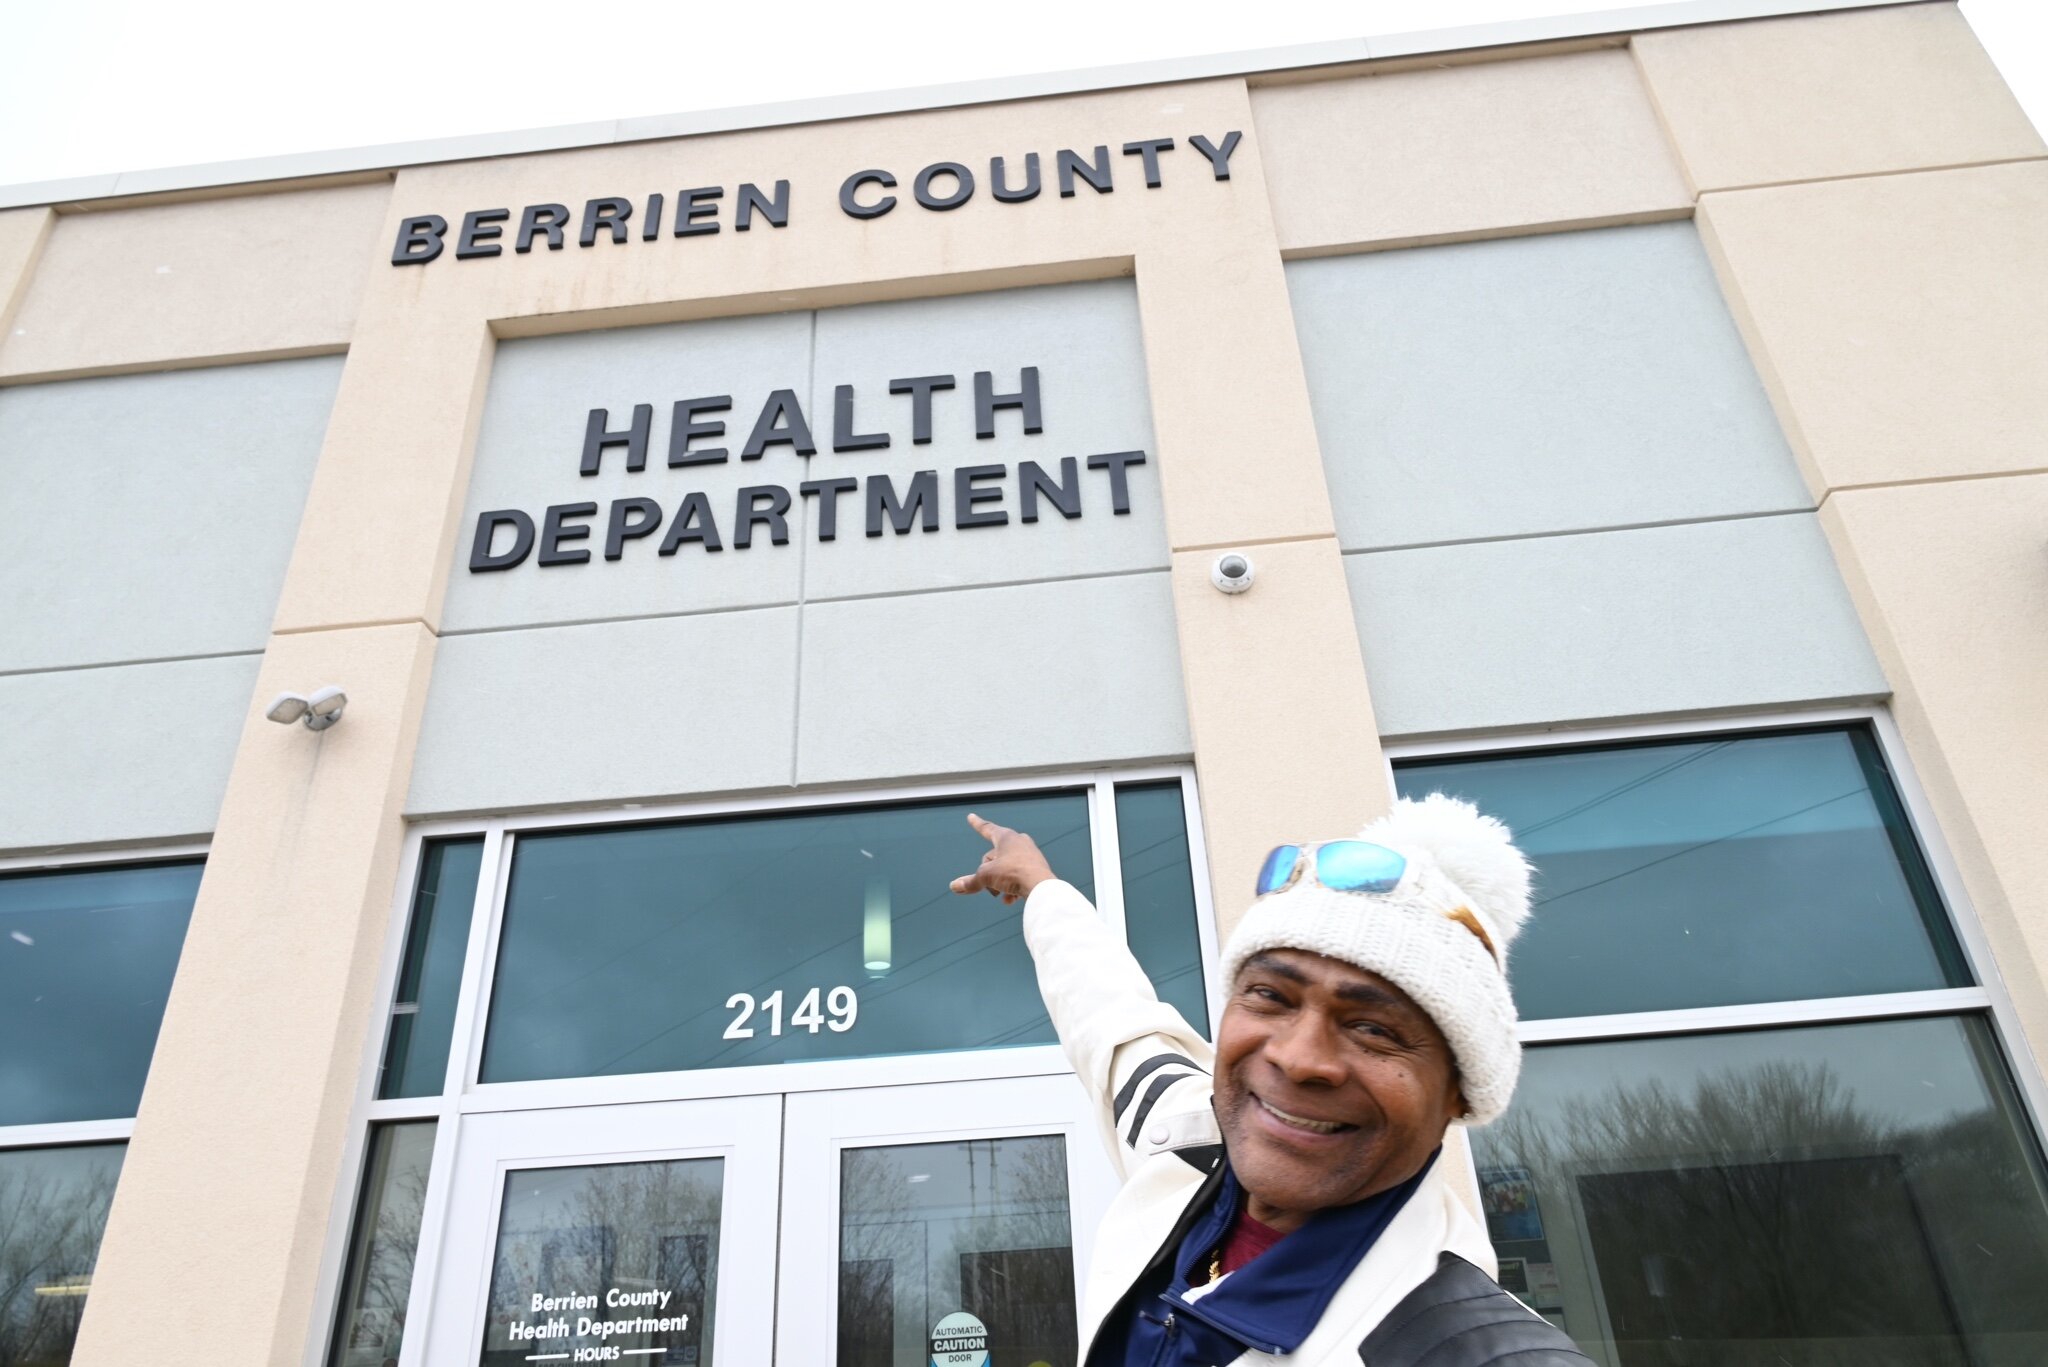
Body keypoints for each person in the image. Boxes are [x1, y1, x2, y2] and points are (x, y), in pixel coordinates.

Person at [949, 794, 1591, 1367]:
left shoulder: (1462, 1346)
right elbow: (1112, 1016)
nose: (1298, 1058)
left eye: (1374, 1028)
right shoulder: (1185, 1152)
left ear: (1459, 1091)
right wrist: (1040, 887)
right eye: (1270, 996)